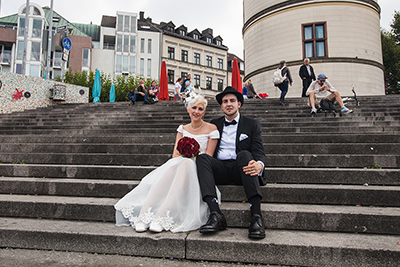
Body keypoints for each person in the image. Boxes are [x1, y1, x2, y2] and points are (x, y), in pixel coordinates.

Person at [115, 95, 220, 233]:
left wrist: (193, 156)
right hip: (180, 163)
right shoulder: (182, 128)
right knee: (174, 166)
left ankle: (162, 215)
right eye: (194, 107)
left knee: (187, 164)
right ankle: (145, 215)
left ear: (204, 112)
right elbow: (176, 154)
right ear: (188, 109)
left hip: (199, 167)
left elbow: (208, 156)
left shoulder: (211, 129)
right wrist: (186, 156)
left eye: (200, 109)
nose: (197, 111)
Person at [196, 86, 267, 240]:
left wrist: (260, 164)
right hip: (220, 169)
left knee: (245, 155)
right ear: (221, 106)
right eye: (225, 101)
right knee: (202, 158)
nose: (229, 104)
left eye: (232, 101)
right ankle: (216, 213)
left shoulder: (251, 124)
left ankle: (256, 215)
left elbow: (259, 150)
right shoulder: (214, 124)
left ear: (239, 104)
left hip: (241, 168)